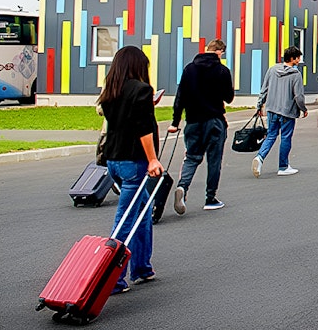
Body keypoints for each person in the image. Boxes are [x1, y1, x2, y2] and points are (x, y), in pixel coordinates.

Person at [97, 46, 164, 294]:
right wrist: (153, 159)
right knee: (124, 220)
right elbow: (143, 127)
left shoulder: (110, 92)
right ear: (138, 66)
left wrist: (149, 104)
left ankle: (142, 268)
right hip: (133, 162)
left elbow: (123, 120)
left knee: (143, 213)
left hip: (113, 160)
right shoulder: (141, 90)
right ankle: (112, 279)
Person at [168, 39, 235, 214]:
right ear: (219, 52)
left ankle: (183, 187)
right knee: (214, 160)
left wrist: (175, 122)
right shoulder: (222, 71)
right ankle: (210, 198)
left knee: (191, 157)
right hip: (214, 121)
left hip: (193, 121)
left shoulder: (189, 69)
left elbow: (180, 97)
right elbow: (229, 97)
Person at [253, 46, 308, 177]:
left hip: (272, 109)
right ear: (293, 58)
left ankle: (259, 158)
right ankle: (283, 166)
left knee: (271, 135)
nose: (299, 60)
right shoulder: (296, 75)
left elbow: (264, 89)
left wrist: (259, 105)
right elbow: (298, 96)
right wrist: (303, 109)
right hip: (287, 111)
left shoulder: (272, 70)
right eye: (298, 58)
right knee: (285, 137)